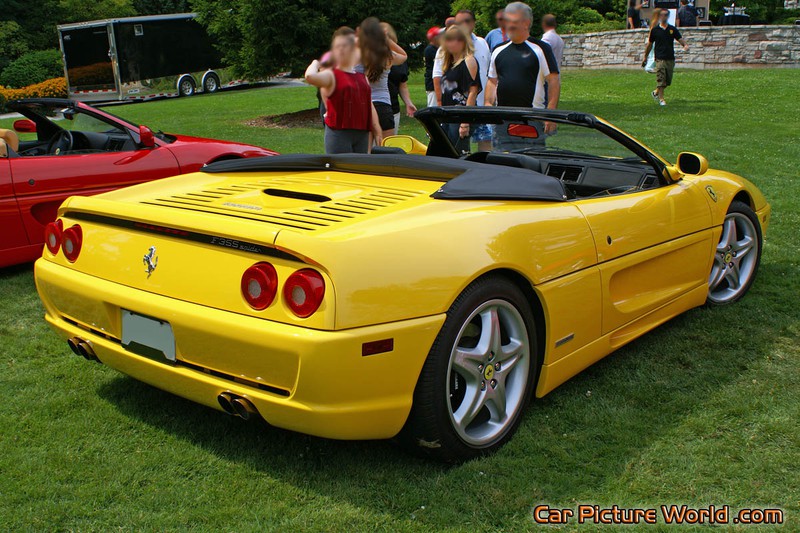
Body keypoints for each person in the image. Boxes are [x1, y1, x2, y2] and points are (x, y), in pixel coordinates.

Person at [486, 2, 558, 150]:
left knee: (529, 164)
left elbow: (553, 81)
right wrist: (488, 105)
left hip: (531, 119)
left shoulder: (541, 49)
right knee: (502, 164)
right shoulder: (498, 50)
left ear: (526, 23)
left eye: (513, 22)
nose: (509, 26)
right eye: (507, 21)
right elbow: (492, 81)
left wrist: (550, 114)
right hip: (502, 120)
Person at [305, 27, 382, 153]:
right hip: (339, 132)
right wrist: (315, 63)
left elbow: (369, 104)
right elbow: (310, 76)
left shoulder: (362, 77)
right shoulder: (331, 75)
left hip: (361, 133)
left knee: (358, 171)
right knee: (339, 170)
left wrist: (376, 127)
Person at [357, 17, 408, 140]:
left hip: (363, 105)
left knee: (366, 151)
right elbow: (404, 56)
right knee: (386, 148)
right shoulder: (387, 56)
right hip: (383, 105)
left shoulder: (359, 55)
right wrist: (387, 40)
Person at [438, 25, 481, 154]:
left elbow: (473, 91)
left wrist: (465, 122)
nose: (450, 43)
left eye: (455, 39)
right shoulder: (448, 64)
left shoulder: (469, 61)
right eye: (448, 40)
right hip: (447, 115)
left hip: (460, 115)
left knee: (459, 155)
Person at [642, 8, 689, 106]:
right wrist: (645, 57)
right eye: (661, 15)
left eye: (665, 15)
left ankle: (655, 92)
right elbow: (649, 45)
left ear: (667, 16)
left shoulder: (672, 29)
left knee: (667, 81)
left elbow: (680, 39)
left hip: (670, 58)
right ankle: (662, 99)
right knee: (661, 78)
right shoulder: (655, 30)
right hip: (660, 58)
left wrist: (685, 45)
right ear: (659, 16)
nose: (663, 17)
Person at [382, 22, 417, 134]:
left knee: (388, 143)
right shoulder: (371, 57)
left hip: (392, 107)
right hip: (374, 104)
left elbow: (403, 85)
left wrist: (408, 103)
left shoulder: (398, 59)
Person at [424, 26, 442, 108]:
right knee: (433, 106)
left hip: (438, 83)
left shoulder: (438, 49)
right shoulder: (430, 50)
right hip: (432, 84)